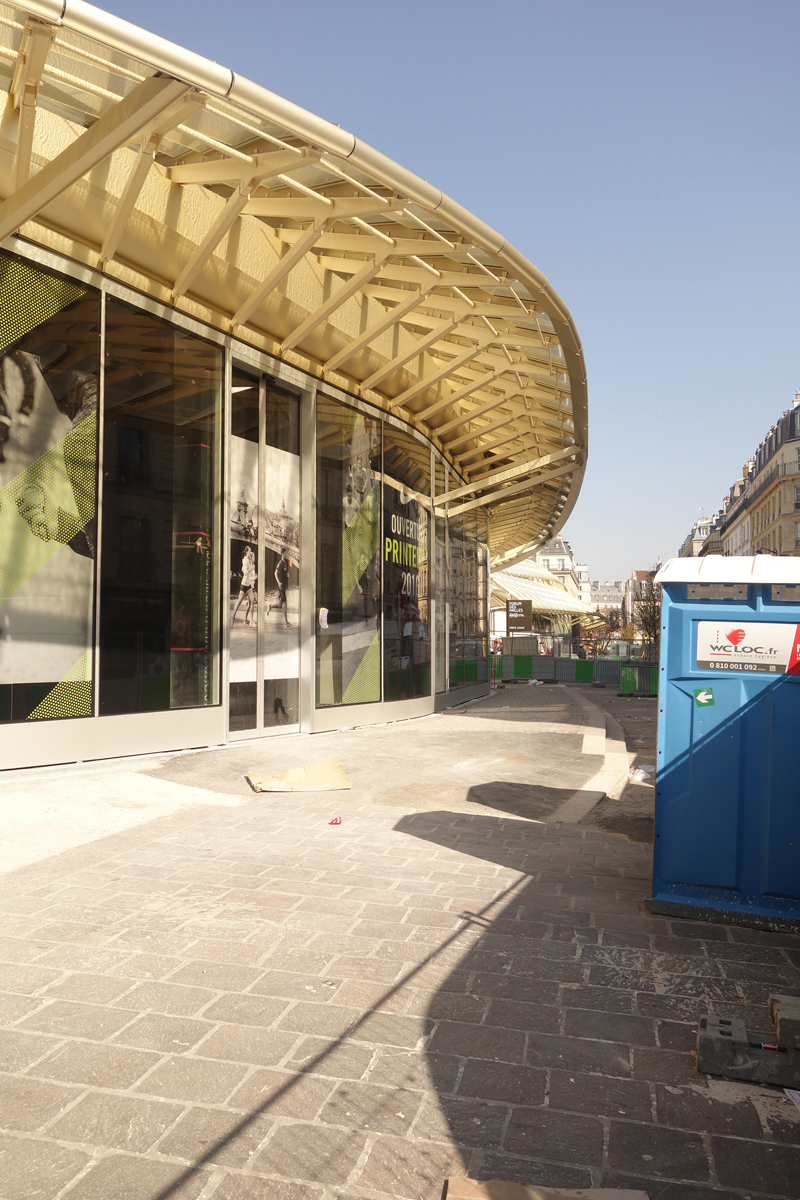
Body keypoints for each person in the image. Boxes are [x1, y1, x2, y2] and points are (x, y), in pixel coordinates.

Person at [232, 545, 256, 625]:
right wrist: (251, 568)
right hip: (244, 584)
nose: (250, 552)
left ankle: (251, 621)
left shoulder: (248, 560)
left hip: (248, 585)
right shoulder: (245, 560)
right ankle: (233, 617)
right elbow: (245, 573)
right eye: (249, 551)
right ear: (246, 552)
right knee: (239, 602)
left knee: (252, 601)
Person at [268, 547, 292, 627]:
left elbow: (287, 571)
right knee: (285, 603)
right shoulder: (280, 563)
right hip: (281, 586)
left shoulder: (286, 562)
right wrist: (278, 582)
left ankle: (270, 606)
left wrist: (287, 575)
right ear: (282, 554)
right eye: (285, 554)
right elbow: (275, 573)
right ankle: (286, 623)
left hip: (284, 586)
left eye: (286, 554)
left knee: (280, 605)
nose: (286, 555)